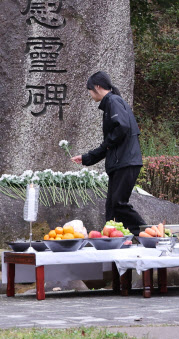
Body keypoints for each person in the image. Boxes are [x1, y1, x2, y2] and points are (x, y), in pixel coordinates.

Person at [72, 71, 144, 236]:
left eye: (89, 90)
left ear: (97, 87)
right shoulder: (112, 103)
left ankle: (149, 235)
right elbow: (111, 143)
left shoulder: (113, 101)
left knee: (119, 204)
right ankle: (112, 241)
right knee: (112, 208)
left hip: (126, 162)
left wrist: (92, 155)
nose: (89, 94)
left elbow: (122, 128)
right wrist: (87, 158)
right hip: (121, 162)